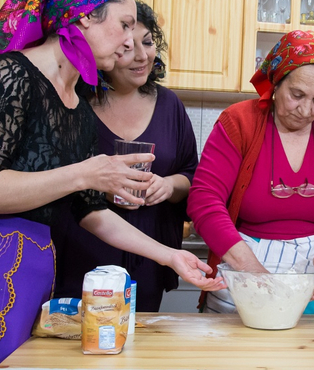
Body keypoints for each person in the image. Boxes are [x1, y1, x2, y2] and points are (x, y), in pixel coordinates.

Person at [0, 0, 224, 368]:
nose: (129, 43)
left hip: (23, 274)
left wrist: (170, 256)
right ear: (84, 17)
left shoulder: (78, 107)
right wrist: (85, 173)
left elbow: (88, 210)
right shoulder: (9, 72)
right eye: (124, 25)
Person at [187, 30, 314, 314]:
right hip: (243, 268)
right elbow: (204, 200)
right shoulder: (239, 122)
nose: (305, 110)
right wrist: (249, 267)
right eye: (296, 95)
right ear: (276, 82)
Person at [51, 1, 196, 313]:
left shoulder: (170, 106)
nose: (141, 56)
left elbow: (192, 174)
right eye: (127, 47)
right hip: (79, 249)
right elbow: (53, 178)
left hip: (148, 253)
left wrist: (169, 185)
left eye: (147, 43)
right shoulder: (75, 102)